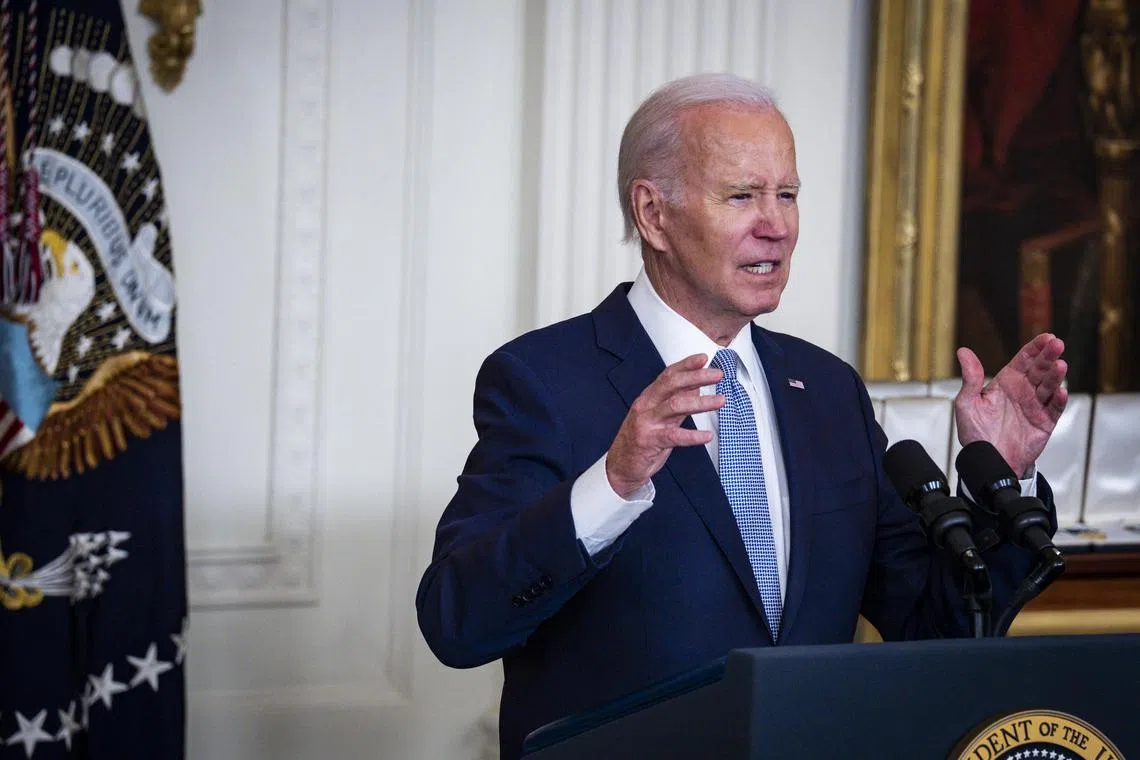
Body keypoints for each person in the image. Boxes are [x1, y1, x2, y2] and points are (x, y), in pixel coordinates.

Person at [415, 73, 1068, 760]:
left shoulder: (827, 390)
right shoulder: (545, 381)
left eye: (787, 195)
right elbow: (457, 622)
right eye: (742, 196)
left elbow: (937, 625)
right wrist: (611, 483)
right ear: (653, 213)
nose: (778, 225)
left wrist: (1002, 481)